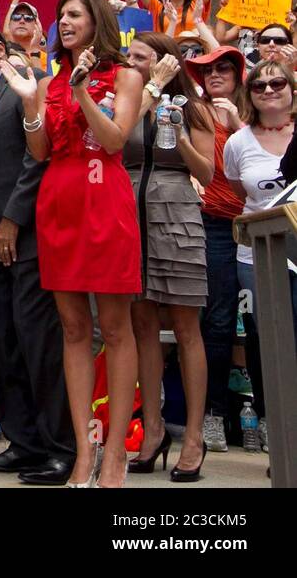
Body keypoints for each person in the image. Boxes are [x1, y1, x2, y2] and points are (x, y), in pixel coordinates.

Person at [0, 0, 143, 488]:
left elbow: (116, 139)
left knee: (117, 328)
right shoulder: (50, 79)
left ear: (96, 21)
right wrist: (29, 105)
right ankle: (84, 450)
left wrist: (82, 92)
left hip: (104, 198)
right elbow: (38, 151)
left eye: (74, 15)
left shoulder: (125, 76)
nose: (63, 22)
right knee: (73, 327)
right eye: (60, 16)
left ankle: (116, 456)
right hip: (57, 201)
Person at [0, 22, 72, 485]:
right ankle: (22, 444)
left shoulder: (27, 88)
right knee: (2, 346)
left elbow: (36, 160)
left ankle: (59, 449)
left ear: (1, 51)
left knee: (39, 345)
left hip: (27, 238)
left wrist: (13, 219)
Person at [123, 33, 214, 481]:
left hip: (176, 217)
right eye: (129, 56)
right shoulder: (126, 100)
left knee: (185, 328)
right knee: (141, 327)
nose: (130, 61)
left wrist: (178, 136)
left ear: (166, 63)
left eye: (139, 56)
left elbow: (208, 173)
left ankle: (194, 437)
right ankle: (153, 429)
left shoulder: (194, 107)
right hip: (129, 219)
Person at [224, 59, 296, 449]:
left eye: (278, 82)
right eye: (259, 85)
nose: (269, 90)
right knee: (266, 341)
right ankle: (277, 427)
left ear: (292, 87)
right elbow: (244, 195)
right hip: (258, 258)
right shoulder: (238, 142)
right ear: (248, 94)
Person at [183, 44, 248, 452]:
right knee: (211, 321)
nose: (215, 76)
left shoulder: (254, 111)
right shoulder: (195, 111)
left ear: (240, 74)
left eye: (224, 68)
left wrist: (238, 121)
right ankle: (211, 416)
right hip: (209, 222)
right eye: (208, 71)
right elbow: (200, 168)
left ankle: (237, 414)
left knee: (248, 328)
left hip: (255, 224)